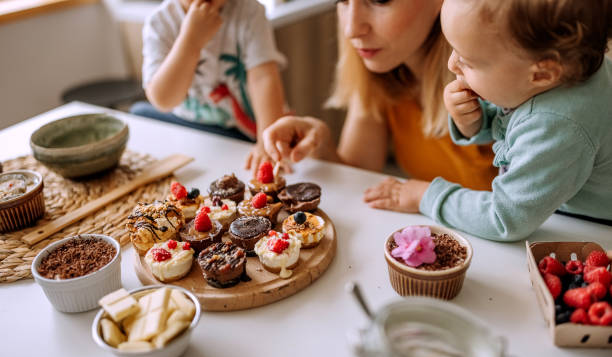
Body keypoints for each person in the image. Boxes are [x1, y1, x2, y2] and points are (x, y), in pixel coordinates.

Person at [415, 0, 611, 241]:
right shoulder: (567, 69)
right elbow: (516, 120)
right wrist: (476, 121)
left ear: (542, 74)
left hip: (592, 233)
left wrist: (426, 195)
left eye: (467, 60)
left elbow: (504, 218)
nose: (451, 64)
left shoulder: (558, 125)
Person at [261, 0, 498, 195]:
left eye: (379, 1)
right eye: (341, 1)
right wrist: (320, 142)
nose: (351, 29)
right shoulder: (384, 72)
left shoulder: (501, 83)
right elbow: (358, 176)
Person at [133, 0, 286, 172]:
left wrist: (267, 140)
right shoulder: (160, 21)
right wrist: (191, 40)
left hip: (242, 133)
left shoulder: (250, 11)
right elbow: (163, 100)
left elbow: (263, 78)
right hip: (190, 129)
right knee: (138, 113)